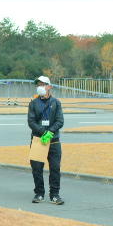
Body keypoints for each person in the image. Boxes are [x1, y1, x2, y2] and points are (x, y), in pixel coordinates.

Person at [28, 76, 65, 205]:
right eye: (38, 84)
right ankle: (39, 193)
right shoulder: (33, 103)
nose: (40, 87)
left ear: (49, 86)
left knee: (55, 168)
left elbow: (60, 121)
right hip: (38, 140)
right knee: (37, 169)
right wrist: (43, 132)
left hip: (53, 140)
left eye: (43, 84)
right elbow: (31, 122)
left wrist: (49, 132)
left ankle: (54, 195)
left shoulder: (56, 102)